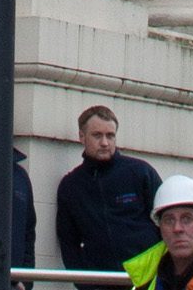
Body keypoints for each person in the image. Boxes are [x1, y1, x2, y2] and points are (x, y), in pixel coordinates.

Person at [55, 103, 162, 273]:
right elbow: (68, 242)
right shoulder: (71, 186)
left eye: (110, 136)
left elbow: (166, 223)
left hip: (149, 280)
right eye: (97, 135)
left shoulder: (140, 172)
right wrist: (84, 283)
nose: (105, 143)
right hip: (100, 282)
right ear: (82, 137)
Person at [131, 174, 193, 290]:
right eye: (169, 220)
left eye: (187, 219)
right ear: (160, 228)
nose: (177, 228)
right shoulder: (144, 283)